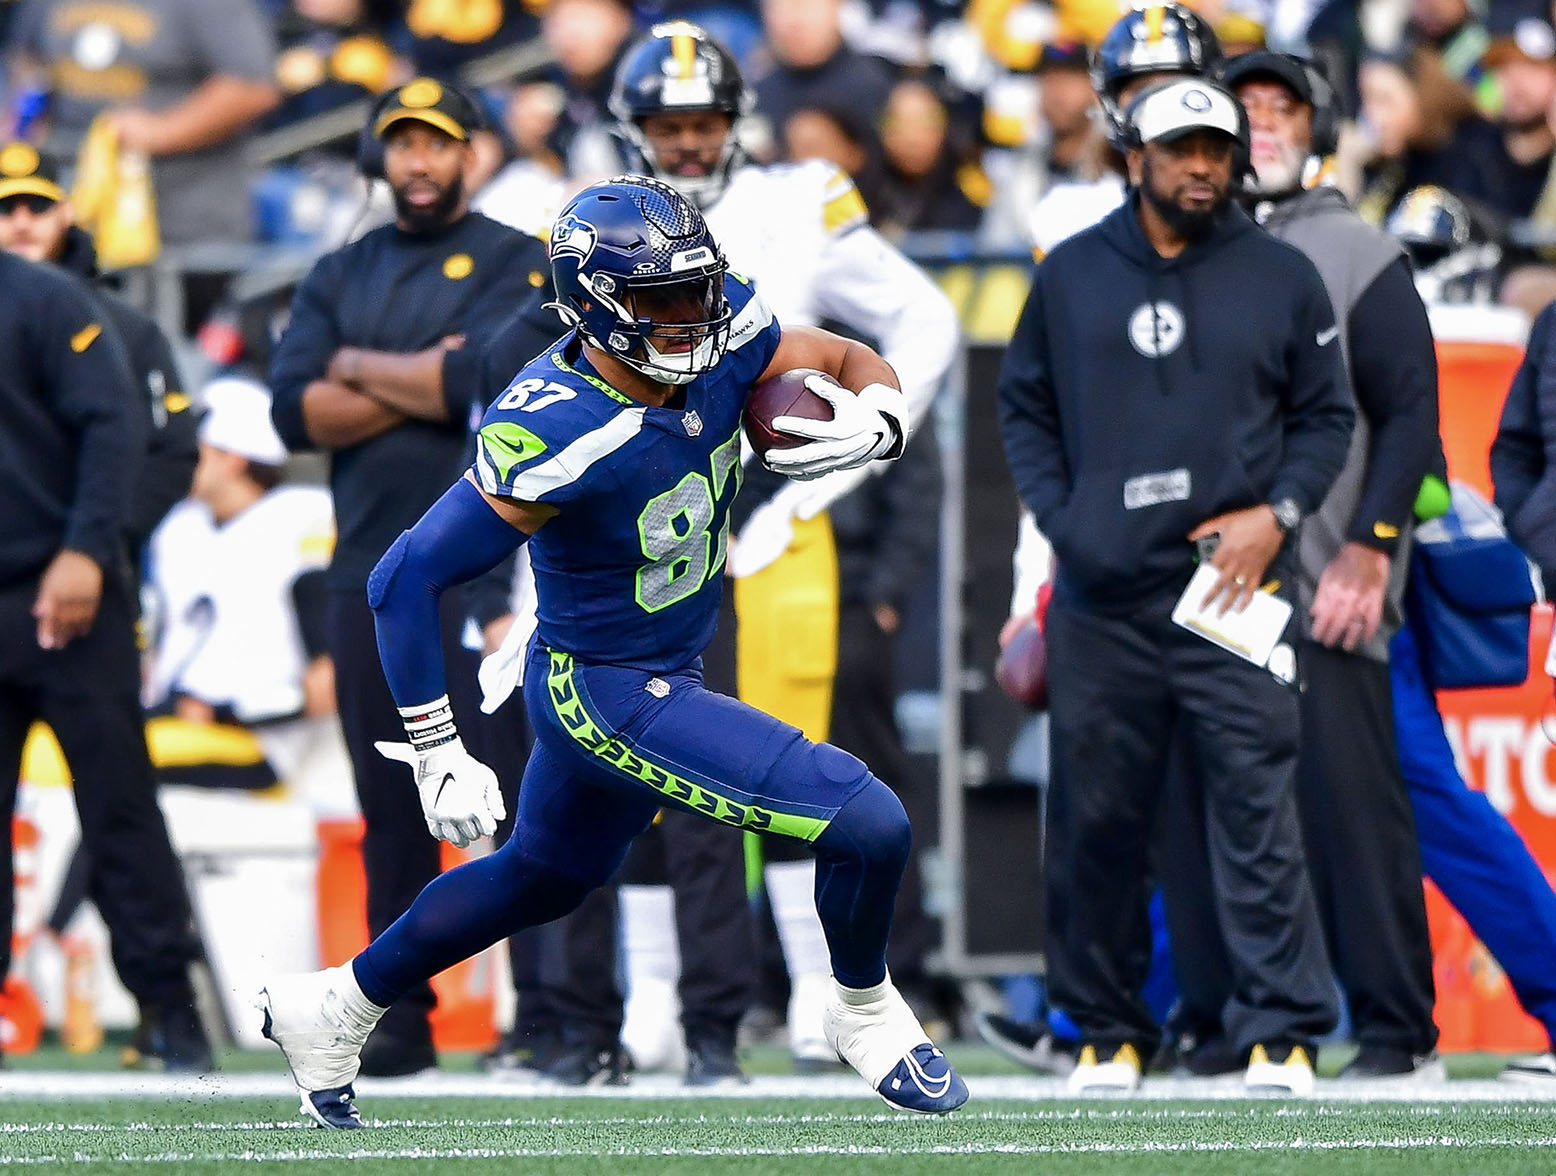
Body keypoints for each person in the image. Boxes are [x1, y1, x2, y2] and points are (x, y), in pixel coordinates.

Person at [258, 174, 968, 1128]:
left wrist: (880, 418)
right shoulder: (557, 419)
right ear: (594, 304)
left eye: (697, 291)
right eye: (661, 302)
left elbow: (839, 351)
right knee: (868, 820)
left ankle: (335, 1003)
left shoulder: (720, 323)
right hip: (604, 688)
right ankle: (862, 1008)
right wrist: (437, 747)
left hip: (670, 663)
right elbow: (403, 578)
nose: (690, 319)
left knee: (541, 875)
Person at [610, 21, 959, 1072]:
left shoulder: (800, 196)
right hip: (640, 505)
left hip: (777, 510)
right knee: (647, 754)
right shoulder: (588, 211)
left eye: (701, 123)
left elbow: (926, 321)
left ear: (735, 125)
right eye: (666, 125)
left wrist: (869, 439)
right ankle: (660, 994)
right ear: (634, 130)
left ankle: (823, 986)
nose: (683, 144)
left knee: (791, 750)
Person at [997, 77, 1352, 1095]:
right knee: (1095, 818)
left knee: (1256, 809)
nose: (1201, 165)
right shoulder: (1067, 274)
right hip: (1103, 596)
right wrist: (1068, 526)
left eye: (1216, 147)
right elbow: (1022, 409)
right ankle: (1105, 1030)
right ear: (1132, 155)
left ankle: (1279, 1030)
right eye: (1179, 148)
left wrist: (1276, 515)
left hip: (1231, 589)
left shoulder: (1279, 274)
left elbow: (1324, 418)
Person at [267, 77, 554, 1078]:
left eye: (437, 142)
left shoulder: (521, 261)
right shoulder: (341, 268)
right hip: (368, 575)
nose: (419, 161)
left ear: (473, 150)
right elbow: (293, 416)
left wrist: (358, 368)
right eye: (402, 144)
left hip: (493, 573)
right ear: (377, 156)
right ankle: (398, 1018)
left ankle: (546, 1012)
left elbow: (477, 382)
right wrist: (405, 376)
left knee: (524, 800)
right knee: (393, 806)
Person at [1166, 51, 1443, 1080]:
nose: (1264, 124)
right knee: (1212, 813)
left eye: (1283, 107)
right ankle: (1232, 1024)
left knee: (1349, 809)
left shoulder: (1354, 246)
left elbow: (1411, 413)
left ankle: (1392, 1031)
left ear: (1313, 127)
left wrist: (1369, 555)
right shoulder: (1187, 252)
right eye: (1246, 109)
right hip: (1211, 584)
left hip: (1325, 570)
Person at [0, 247, 210, 1071]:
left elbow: (117, 422)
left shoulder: (47, 300)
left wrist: (90, 549)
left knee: (119, 807)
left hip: (69, 593)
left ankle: (169, 1009)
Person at [6, 0, 280, 321]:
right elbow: (25, 64)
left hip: (185, 233)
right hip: (69, 226)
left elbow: (253, 86)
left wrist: (163, 131)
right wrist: (24, 120)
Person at [0, 141, 196, 562]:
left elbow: (171, 449)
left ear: (66, 213)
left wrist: (96, 544)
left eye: (37, 207)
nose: (21, 223)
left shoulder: (129, 328)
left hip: (99, 562)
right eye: (5, 209)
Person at [145, 376, 337, 790]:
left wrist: (225, 711)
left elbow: (329, 683)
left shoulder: (301, 520)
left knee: (103, 761)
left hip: (258, 738)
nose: (176, 456)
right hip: (174, 718)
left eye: (194, 447)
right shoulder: (178, 529)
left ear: (233, 458)